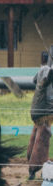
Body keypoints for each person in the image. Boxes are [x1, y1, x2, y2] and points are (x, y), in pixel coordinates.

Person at [28, 50, 53, 179]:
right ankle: (37, 169)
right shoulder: (48, 72)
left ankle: (33, 167)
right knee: (43, 139)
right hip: (44, 112)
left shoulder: (42, 69)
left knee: (36, 136)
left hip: (37, 109)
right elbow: (47, 79)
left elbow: (34, 81)